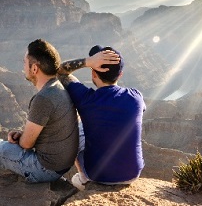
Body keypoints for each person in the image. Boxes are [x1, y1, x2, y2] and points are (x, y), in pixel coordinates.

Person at [58, 45, 145, 190]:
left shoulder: (85, 99)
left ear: (93, 74)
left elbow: (60, 72)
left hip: (97, 175)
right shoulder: (136, 96)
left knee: (75, 129)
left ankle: (84, 178)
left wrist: (87, 62)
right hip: (133, 174)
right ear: (120, 74)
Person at [0, 39, 79, 183]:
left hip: (44, 169)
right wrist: (23, 135)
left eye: (25, 62)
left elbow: (26, 145)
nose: (23, 67)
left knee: (1, 148)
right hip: (61, 165)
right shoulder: (60, 84)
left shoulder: (43, 98)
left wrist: (21, 139)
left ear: (34, 69)